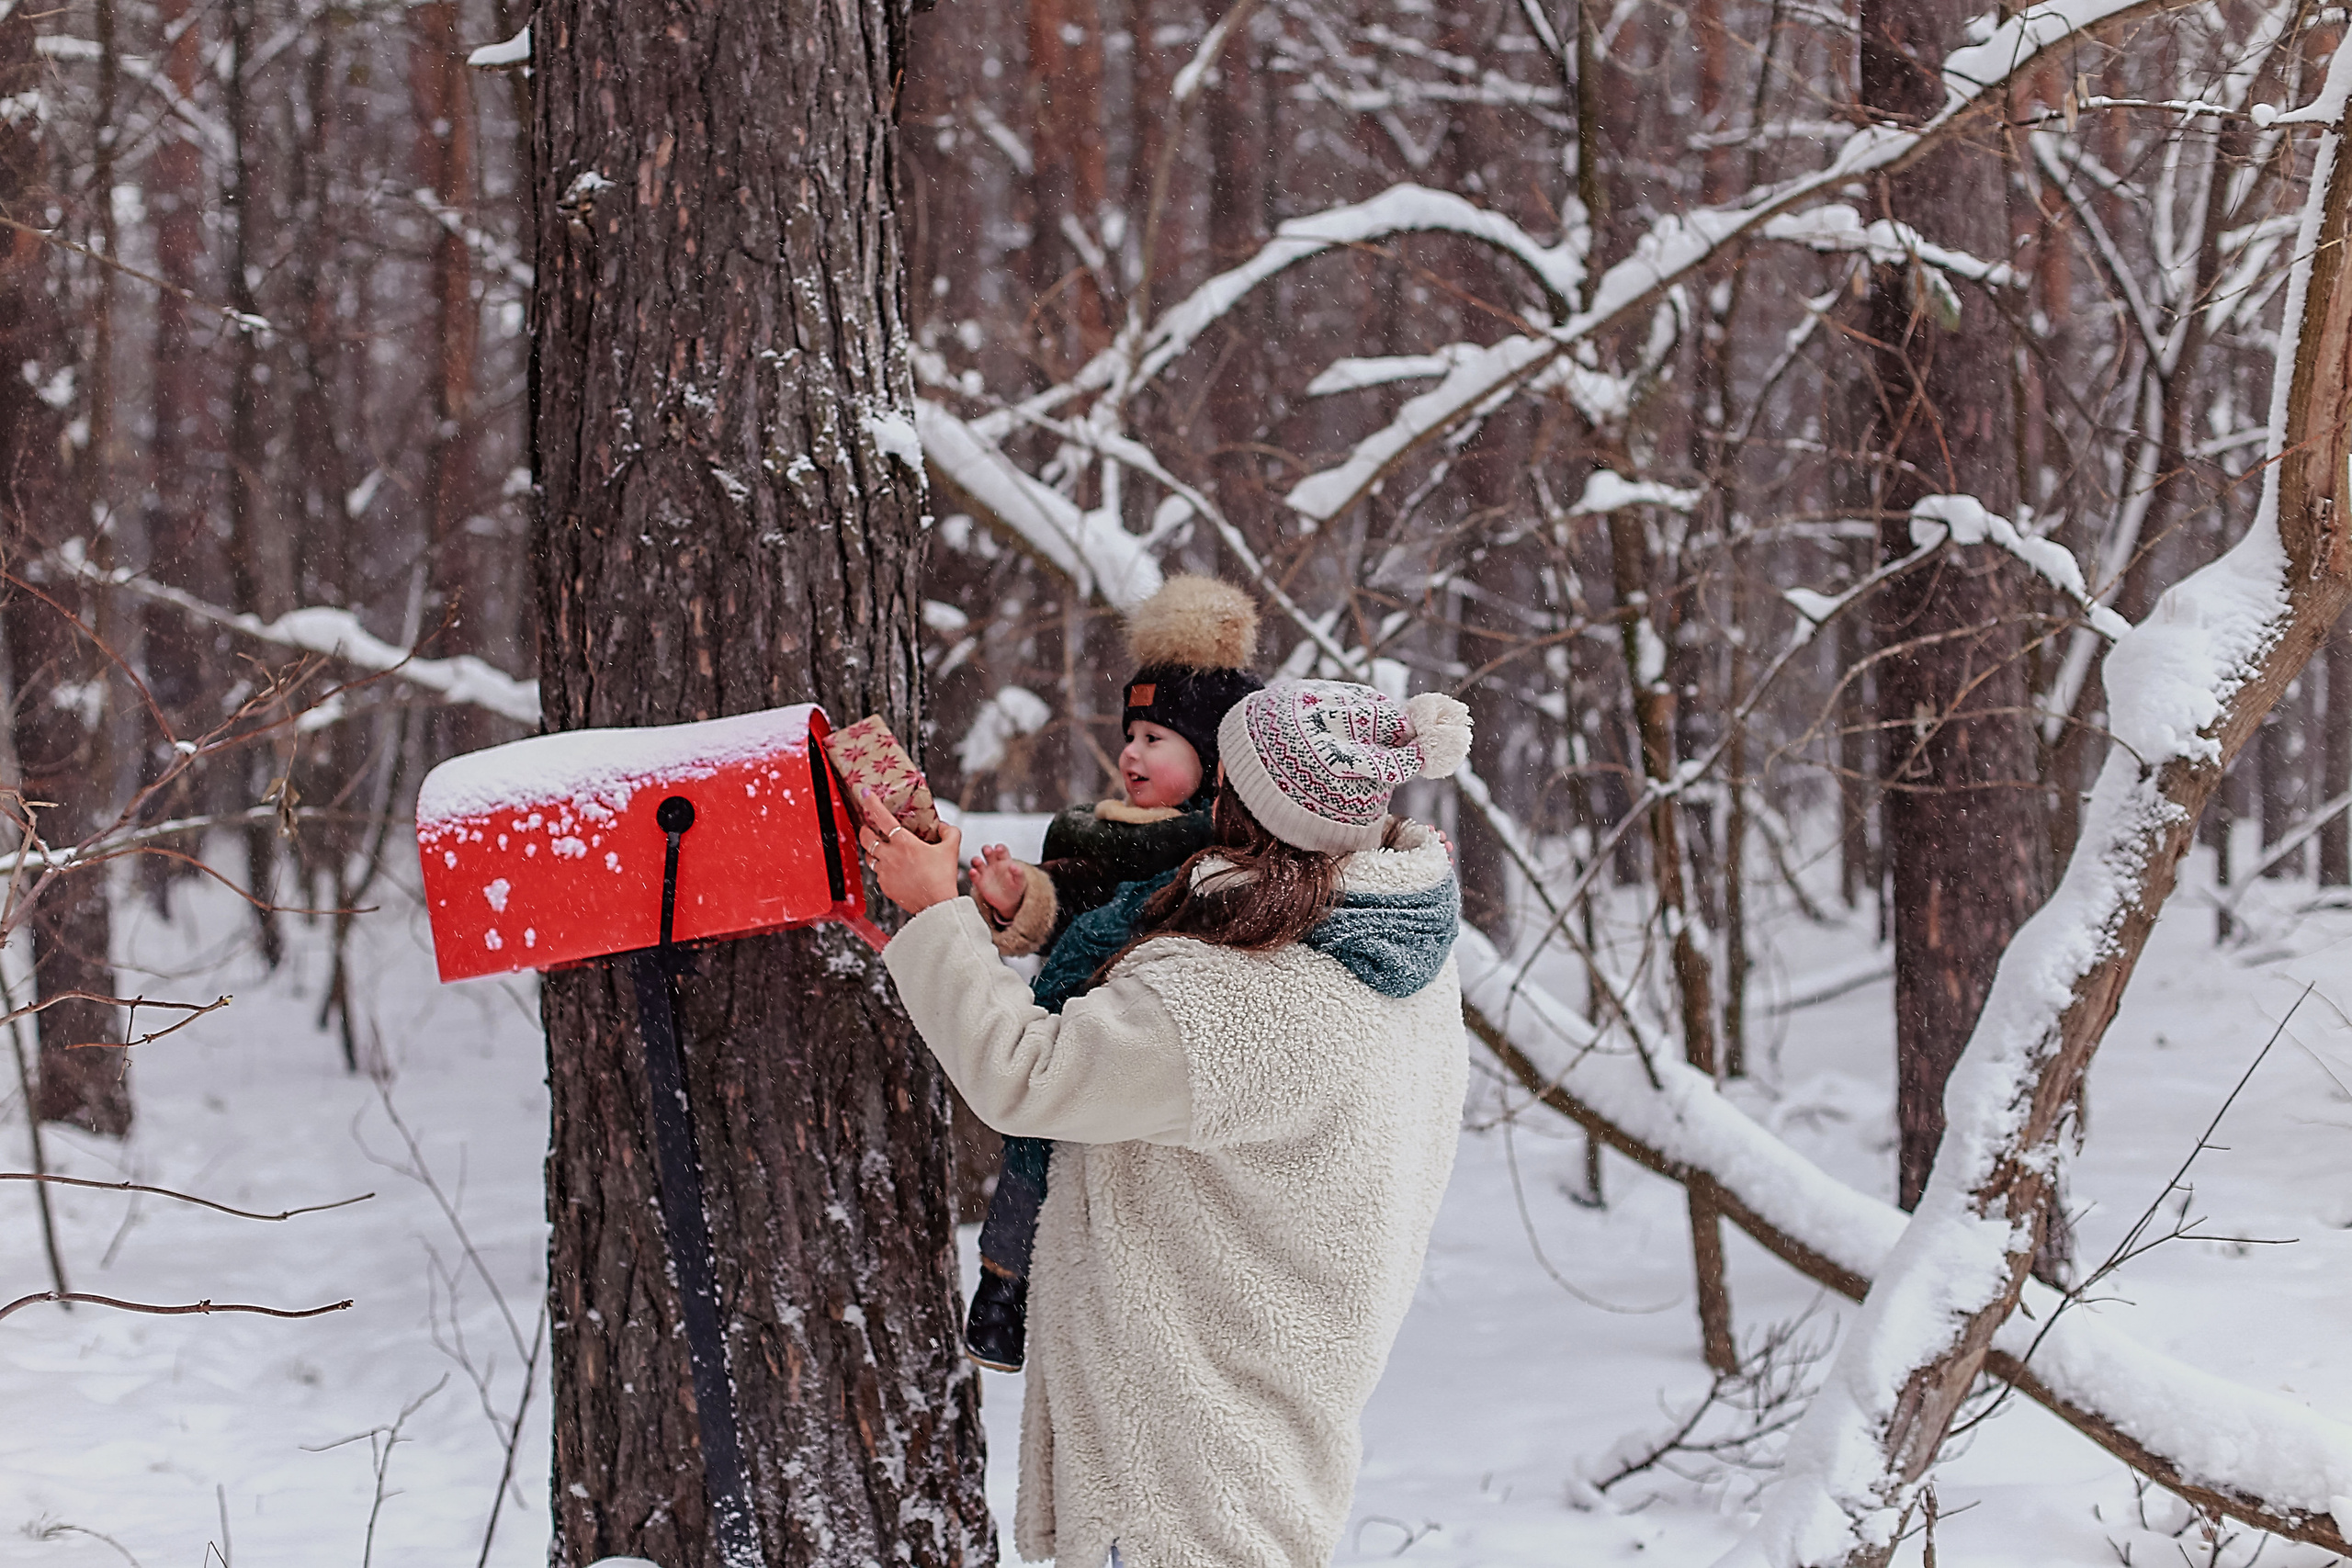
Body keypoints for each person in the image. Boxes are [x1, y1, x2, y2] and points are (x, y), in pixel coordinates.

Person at [856, 678, 1473, 1568]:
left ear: (1241, 800)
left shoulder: (1247, 999)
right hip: (1263, 1422)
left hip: (1182, 1465)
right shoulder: (1398, 947)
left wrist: (933, 911)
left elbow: (1029, 1074)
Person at [959, 574, 1262, 1371]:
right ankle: (1005, 1286)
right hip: (1071, 1044)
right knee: (1030, 1161)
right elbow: (1070, 908)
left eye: (1156, 740)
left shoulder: (1231, 854)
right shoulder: (1106, 834)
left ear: (1216, 760)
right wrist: (1021, 896)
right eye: (1131, 734)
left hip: (1144, 1058)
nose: (1131, 753)